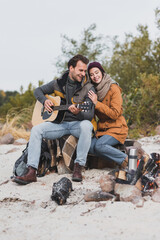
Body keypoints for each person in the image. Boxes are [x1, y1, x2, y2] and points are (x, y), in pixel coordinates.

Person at [13, 54, 95, 184]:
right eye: (81, 70)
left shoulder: (88, 87)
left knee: (87, 126)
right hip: (59, 124)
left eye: (85, 71)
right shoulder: (58, 83)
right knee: (36, 130)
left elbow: (89, 115)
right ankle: (31, 171)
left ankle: (78, 167)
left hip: (76, 124)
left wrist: (78, 112)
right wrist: (45, 101)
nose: (83, 74)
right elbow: (38, 91)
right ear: (71, 68)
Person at [87, 62, 128, 168]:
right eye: (91, 74)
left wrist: (97, 103)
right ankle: (115, 160)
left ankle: (126, 160)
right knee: (90, 147)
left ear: (102, 72)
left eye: (97, 72)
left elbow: (115, 114)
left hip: (117, 128)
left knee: (99, 146)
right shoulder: (94, 91)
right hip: (102, 130)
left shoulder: (113, 88)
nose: (95, 76)